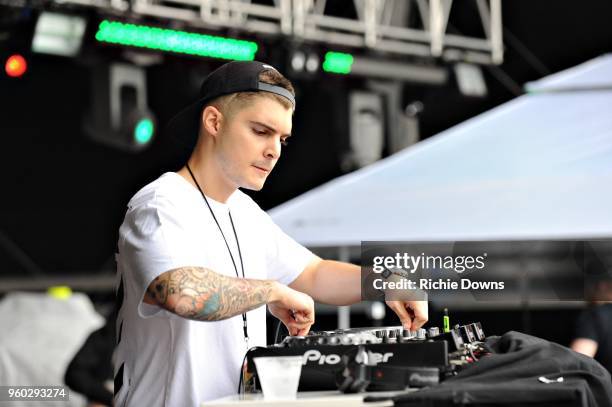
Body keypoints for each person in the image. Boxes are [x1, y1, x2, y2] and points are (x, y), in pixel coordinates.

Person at [113, 61, 428, 406]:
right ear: (214, 122)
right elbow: (179, 292)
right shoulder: (161, 204)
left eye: (282, 139)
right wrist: (272, 291)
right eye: (261, 131)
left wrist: (386, 281)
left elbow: (315, 274)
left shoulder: (245, 212)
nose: (274, 150)